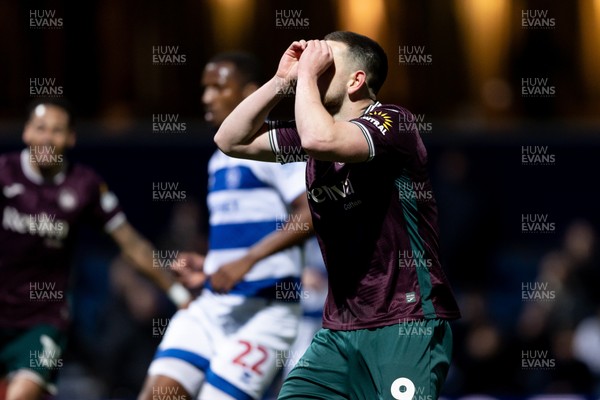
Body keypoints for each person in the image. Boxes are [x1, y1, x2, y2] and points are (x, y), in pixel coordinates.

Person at [214, 31, 462, 399]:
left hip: (405, 323)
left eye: (325, 60)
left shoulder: (394, 123)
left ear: (356, 80)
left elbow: (321, 140)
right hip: (338, 332)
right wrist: (282, 82)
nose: (311, 65)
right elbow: (230, 139)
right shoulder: (312, 133)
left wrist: (308, 79)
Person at [138, 51, 313, 400]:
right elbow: (241, 237)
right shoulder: (219, 157)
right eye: (204, 89)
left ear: (250, 91)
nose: (206, 98)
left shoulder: (278, 147)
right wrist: (210, 265)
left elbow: (310, 215)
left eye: (218, 88)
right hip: (213, 307)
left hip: (265, 313)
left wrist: (245, 262)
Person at [0, 98, 192, 400]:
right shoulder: (4, 173)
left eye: (57, 130)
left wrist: (178, 295)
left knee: (20, 395)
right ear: (26, 132)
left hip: (42, 321)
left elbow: (131, 244)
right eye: (40, 128)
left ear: (71, 137)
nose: (48, 138)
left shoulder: (83, 185)